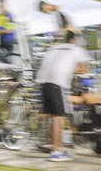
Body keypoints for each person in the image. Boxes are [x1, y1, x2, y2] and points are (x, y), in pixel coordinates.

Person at [36, 30, 90, 161]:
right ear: (72, 40)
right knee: (58, 118)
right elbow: (85, 69)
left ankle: (54, 146)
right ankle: (56, 152)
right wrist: (75, 70)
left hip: (44, 82)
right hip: (58, 83)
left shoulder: (54, 48)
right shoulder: (75, 49)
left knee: (51, 116)